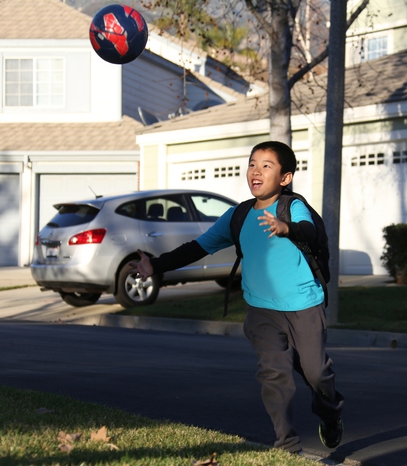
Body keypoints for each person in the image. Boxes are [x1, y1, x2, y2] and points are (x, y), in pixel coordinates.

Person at [129, 141, 344, 454]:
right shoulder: (238, 216)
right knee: (274, 374)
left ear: (285, 178)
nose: (256, 171)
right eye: (252, 163)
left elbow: (308, 231)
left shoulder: (292, 206)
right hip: (262, 311)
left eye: (266, 165)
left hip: (304, 305)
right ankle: (288, 447)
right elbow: (198, 247)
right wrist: (156, 265)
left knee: (316, 372)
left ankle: (330, 411)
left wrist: (286, 228)